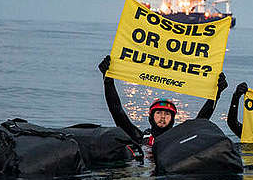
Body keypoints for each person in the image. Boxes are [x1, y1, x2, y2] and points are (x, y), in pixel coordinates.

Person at [98, 55, 228, 150]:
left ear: (172, 119)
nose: (162, 117)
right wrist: (108, 81)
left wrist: (216, 94)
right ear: (151, 117)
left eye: (167, 114)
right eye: (159, 113)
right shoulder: (139, 137)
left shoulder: (179, 137)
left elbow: (201, 120)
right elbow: (117, 111)